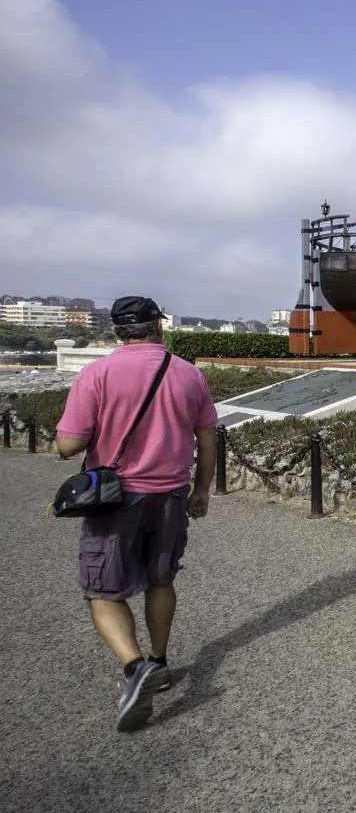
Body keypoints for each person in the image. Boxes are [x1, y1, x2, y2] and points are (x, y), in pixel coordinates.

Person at [54, 296, 218, 732]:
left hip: (115, 497)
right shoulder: (188, 374)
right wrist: (201, 489)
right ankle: (159, 662)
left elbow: (69, 445)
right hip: (171, 494)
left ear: (115, 332)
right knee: (161, 580)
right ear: (159, 327)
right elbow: (207, 437)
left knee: (102, 591)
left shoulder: (97, 373)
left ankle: (134, 667)